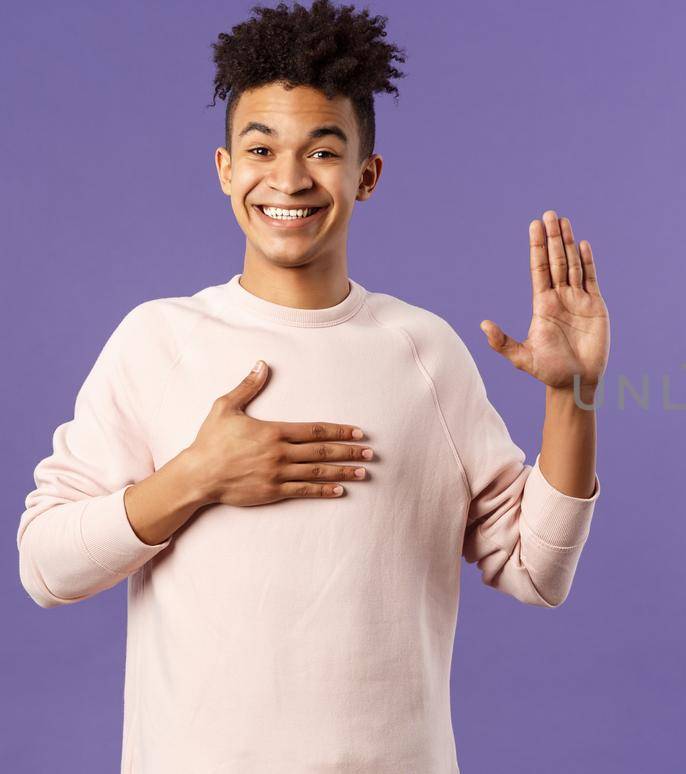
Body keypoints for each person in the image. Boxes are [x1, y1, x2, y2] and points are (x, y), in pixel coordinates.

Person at [14, 1, 610, 771]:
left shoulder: (423, 352)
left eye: (322, 151)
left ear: (367, 175)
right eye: (260, 148)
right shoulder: (157, 341)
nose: (287, 178)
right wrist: (197, 476)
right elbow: (45, 567)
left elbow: (537, 570)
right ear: (225, 168)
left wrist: (573, 397)